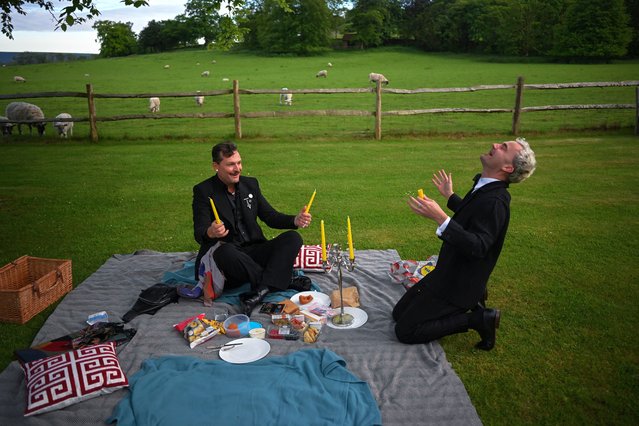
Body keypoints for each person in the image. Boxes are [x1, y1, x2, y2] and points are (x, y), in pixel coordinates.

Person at [392, 138, 536, 351]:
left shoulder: (496, 202)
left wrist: (441, 218)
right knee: (398, 314)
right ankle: (476, 300)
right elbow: (472, 216)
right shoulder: (486, 187)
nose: (496, 144)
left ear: (507, 167)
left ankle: (477, 319)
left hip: (458, 285)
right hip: (446, 273)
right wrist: (450, 197)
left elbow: (479, 246)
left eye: (503, 147)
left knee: (405, 331)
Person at [188, 141, 313, 316]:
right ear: (216, 166)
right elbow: (199, 232)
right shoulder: (203, 190)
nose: (237, 168)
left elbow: (270, 216)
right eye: (231, 164)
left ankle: (260, 290)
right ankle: (279, 279)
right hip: (228, 261)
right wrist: (210, 232)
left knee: (293, 238)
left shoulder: (250, 184)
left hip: (254, 251)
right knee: (225, 251)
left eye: (239, 163)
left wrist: (295, 220)